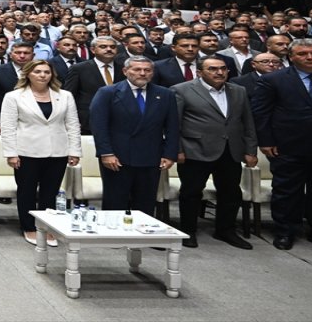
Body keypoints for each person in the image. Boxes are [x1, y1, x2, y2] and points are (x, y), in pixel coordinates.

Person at [173, 55, 257, 249]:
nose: (219, 72)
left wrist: (250, 149)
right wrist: (177, 150)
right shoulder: (182, 90)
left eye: (223, 69)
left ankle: (225, 230)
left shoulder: (239, 90)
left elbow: (247, 122)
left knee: (231, 193)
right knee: (191, 193)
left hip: (231, 150)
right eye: (212, 69)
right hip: (196, 150)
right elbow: (174, 124)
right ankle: (188, 231)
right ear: (199, 72)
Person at [250, 37, 312, 250]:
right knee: (287, 191)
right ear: (291, 56)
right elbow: (261, 113)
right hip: (287, 145)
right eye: (302, 53)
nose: (309, 57)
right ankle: (285, 231)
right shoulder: (274, 80)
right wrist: (266, 141)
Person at [0, 60, 81, 245]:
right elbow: (8, 127)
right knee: (27, 191)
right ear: (28, 74)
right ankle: (29, 227)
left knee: (50, 192)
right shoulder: (14, 96)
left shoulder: (65, 95)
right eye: (38, 71)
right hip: (26, 151)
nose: (43, 75)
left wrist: (75, 150)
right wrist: (11, 153)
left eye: (46, 72)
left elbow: (73, 124)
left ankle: (46, 227)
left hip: (58, 151)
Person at [89, 56, 180, 216]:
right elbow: (99, 126)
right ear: (125, 71)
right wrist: (106, 153)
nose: (142, 73)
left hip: (151, 156)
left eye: (147, 70)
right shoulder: (108, 93)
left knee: (145, 202)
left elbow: (172, 127)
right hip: (117, 157)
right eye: (137, 69)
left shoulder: (165, 94)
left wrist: (169, 154)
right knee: (115, 201)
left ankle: (142, 236)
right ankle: (114, 235)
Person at [63, 36, 123, 134]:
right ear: (93, 50)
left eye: (112, 47)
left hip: (120, 121)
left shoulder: (124, 68)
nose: (109, 49)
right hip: (88, 121)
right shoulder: (79, 68)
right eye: (103, 47)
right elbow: (70, 95)